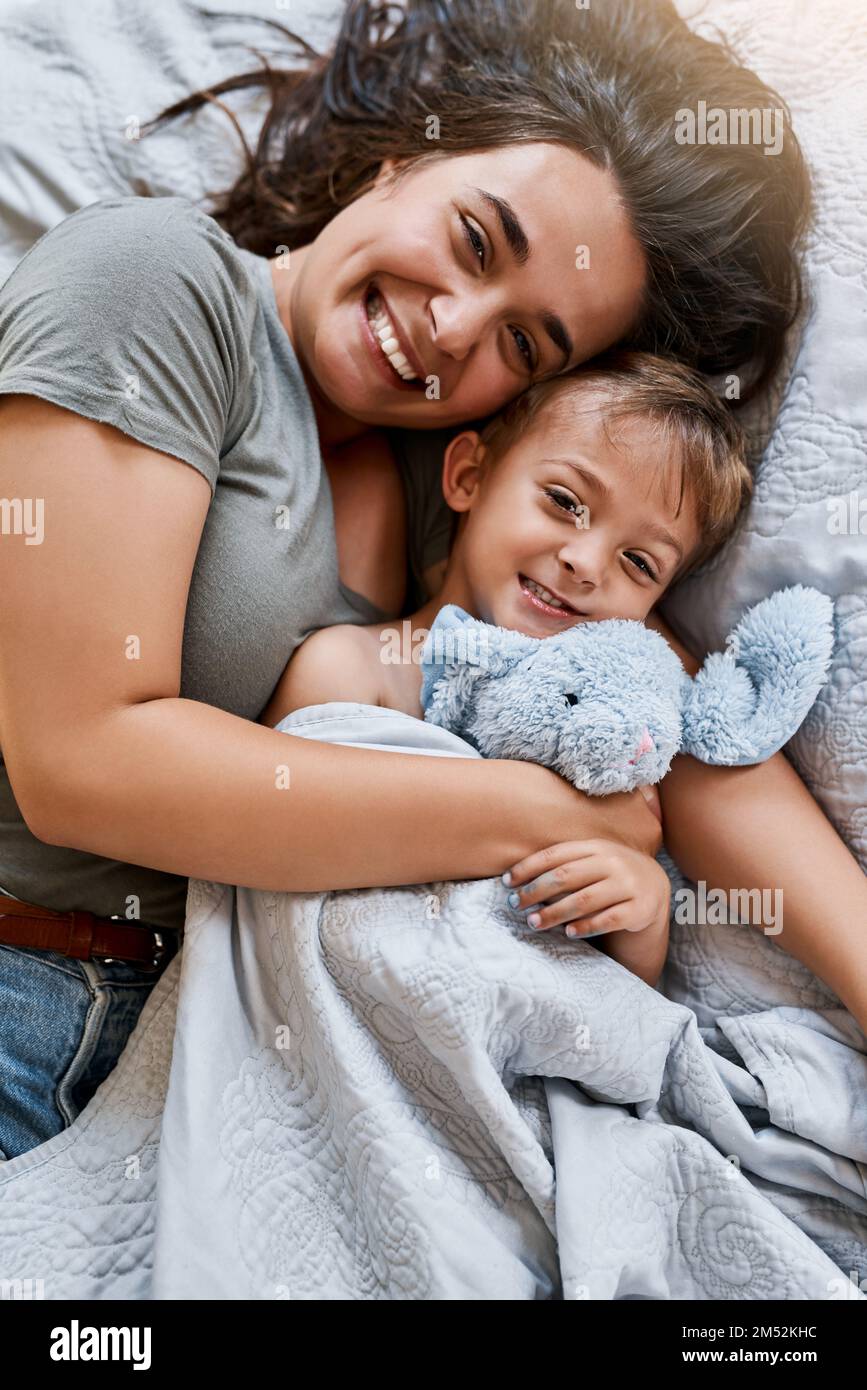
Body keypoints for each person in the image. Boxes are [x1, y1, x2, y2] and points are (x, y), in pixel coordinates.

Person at [0, 0, 846, 1163]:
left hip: (207, 1059)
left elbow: (658, 694)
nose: (452, 328)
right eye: (474, 240)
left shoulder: (451, 464)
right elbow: (83, 762)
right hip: (21, 990)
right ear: (404, 161)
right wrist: (533, 816)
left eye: (526, 343)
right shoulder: (161, 284)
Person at [259, 351, 754, 990]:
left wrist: (644, 919)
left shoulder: (607, 750)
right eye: (564, 501)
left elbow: (609, 1006)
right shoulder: (355, 672)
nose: (585, 563)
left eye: (639, 562)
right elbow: (265, 885)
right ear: (469, 475)